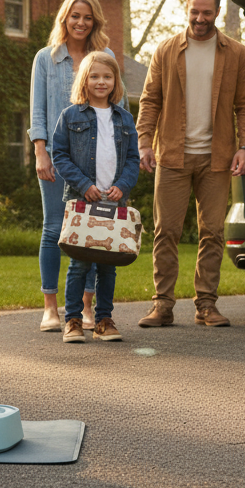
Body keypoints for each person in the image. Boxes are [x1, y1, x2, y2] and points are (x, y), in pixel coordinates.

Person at [136, 0, 245, 328]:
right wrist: (144, 141)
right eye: (194, 12)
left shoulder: (236, 53)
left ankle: (206, 304)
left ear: (217, 11)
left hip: (217, 157)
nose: (200, 19)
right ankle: (163, 305)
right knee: (166, 231)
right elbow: (150, 100)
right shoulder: (166, 50)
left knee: (212, 232)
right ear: (186, 8)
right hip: (172, 155)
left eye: (206, 12)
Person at [28, 0, 115, 332]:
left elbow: (113, 104)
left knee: (92, 231)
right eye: (75, 16)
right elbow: (38, 109)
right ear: (64, 18)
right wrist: (40, 151)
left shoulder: (104, 55)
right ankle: (51, 308)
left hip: (95, 160)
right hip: (54, 158)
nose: (81, 22)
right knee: (54, 229)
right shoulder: (46, 58)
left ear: (95, 21)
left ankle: (86, 306)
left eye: (87, 17)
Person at [50, 51, 140, 344]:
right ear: (84, 80)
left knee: (108, 264)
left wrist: (123, 186)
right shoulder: (70, 115)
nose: (101, 82)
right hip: (82, 202)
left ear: (116, 82)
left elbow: (132, 160)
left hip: (114, 204)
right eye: (95, 76)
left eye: (107, 76)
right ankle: (73, 320)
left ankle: (103, 320)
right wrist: (83, 183)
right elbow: (60, 155)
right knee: (79, 263)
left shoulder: (125, 119)